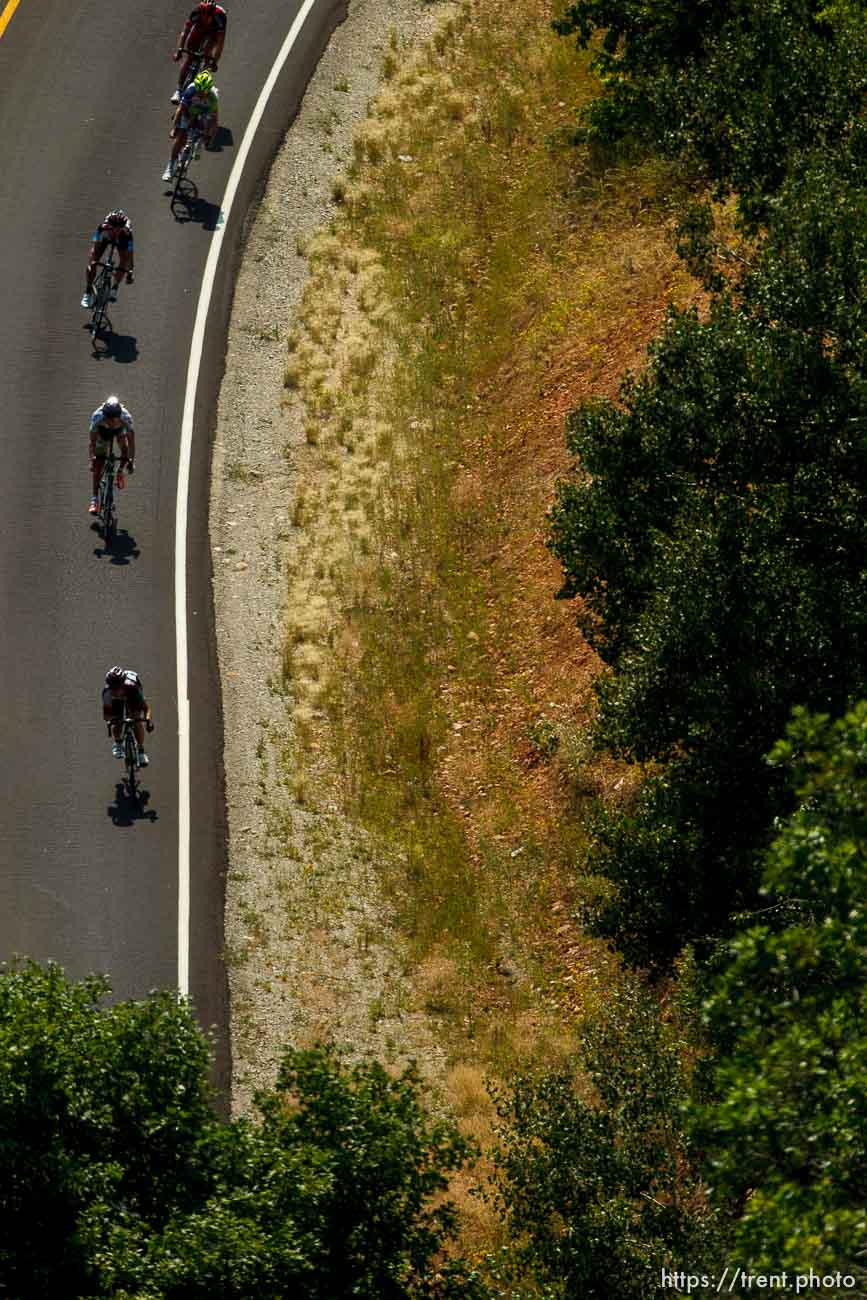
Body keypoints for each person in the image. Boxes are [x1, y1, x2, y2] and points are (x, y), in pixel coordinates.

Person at [163, 71, 219, 181]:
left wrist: (209, 136)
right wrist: (175, 127)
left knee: (208, 126)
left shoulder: (213, 97)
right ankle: (170, 166)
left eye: (204, 93)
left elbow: (214, 120)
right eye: (199, 92)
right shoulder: (191, 89)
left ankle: (199, 143)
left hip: (204, 112)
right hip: (189, 110)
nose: (201, 94)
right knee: (180, 137)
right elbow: (180, 110)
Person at [171, 0, 227, 103]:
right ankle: (178, 90)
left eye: (208, 17)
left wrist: (214, 61)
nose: (205, 19)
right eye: (203, 16)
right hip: (199, 28)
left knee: (207, 53)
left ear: (212, 15)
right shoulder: (197, 12)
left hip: (213, 33)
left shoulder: (220, 17)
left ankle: (200, 89)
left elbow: (220, 43)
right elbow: (185, 32)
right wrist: (179, 50)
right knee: (189, 56)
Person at [88, 397, 135, 515]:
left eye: (114, 420)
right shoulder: (97, 417)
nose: (112, 423)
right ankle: (94, 499)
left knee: (124, 448)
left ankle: (119, 472)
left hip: (120, 429)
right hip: (103, 431)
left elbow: (132, 443)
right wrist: (92, 458)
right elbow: (92, 442)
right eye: (109, 420)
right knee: (98, 463)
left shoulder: (126, 418)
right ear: (105, 416)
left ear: (119, 416)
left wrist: (131, 461)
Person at [81, 210, 134, 310]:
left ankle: (114, 288)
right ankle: (88, 291)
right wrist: (93, 261)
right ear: (110, 226)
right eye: (113, 228)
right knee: (93, 258)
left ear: (122, 227)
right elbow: (95, 244)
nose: (116, 231)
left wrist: (130, 270)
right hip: (105, 238)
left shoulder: (127, 233)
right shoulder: (103, 227)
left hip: (122, 240)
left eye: (119, 229)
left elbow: (130, 254)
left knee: (124, 260)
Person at [102, 667, 153, 768]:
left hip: (131, 696)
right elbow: (107, 715)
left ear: (123, 684)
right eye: (113, 688)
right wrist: (113, 721)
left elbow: (146, 707)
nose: (115, 691)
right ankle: (118, 743)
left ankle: (141, 750)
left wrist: (148, 720)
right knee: (117, 719)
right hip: (116, 701)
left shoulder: (132, 687)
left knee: (136, 719)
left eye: (117, 688)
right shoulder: (107, 692)